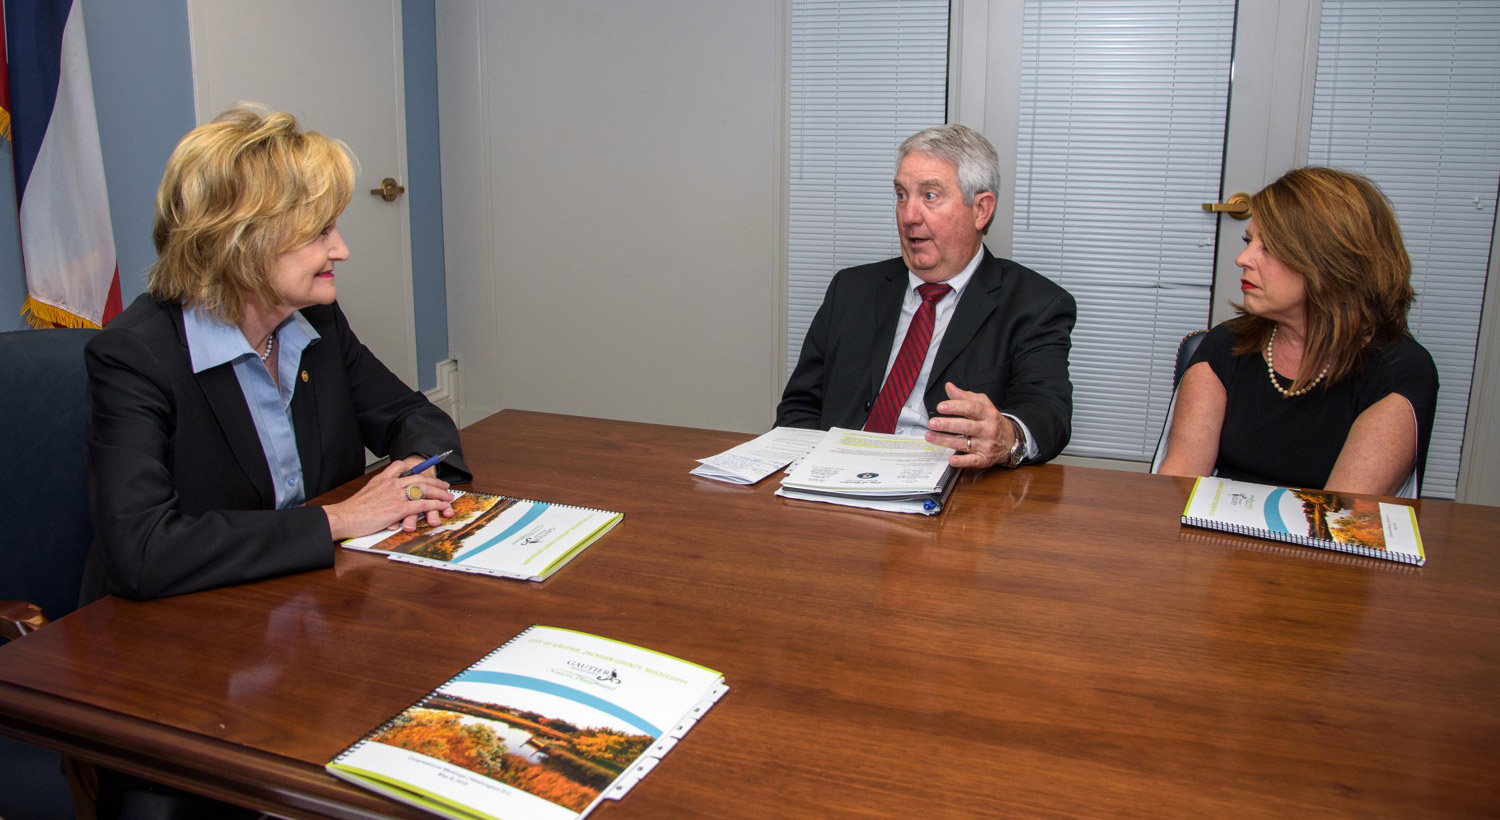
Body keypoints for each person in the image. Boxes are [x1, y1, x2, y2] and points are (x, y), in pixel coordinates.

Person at [82, 104, 471, 605]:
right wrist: (342, 518)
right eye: (320, 232)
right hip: (182, 633)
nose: (342, 250)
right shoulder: (134, 357)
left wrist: (417, 475)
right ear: (240, 242)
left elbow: (409, 413)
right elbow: (143, 551)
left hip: (304, 600)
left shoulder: (317, 322)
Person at [777, 124, 1075, 468]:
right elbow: (799, 407)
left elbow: (1047, 413)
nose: (909, 215)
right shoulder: (851, 289)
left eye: (929, 196)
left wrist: (1009, 437)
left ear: (981, 210)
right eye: (902, 195)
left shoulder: (1036, 304)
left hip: (950, 494)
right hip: (835, 481)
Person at [1157, 166, 1438, 495]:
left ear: (1331, 262)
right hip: (1211, 537)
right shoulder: (1226, 346)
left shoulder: (1399, 371)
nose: (1243, 258)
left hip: (1321, 543)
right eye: (1250, 241)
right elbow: (1175, 490)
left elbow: (1339, 519)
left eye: (1269, 247)